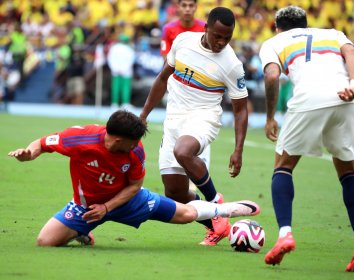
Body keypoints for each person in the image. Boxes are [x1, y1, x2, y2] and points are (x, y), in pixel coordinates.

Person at [7, 110, 260, 247]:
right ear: (117, 140)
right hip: (85, 207)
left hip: (128, 201)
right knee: (45, 241)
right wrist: (29, 154)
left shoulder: (135, 151)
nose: (137, 146)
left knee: (186, 215)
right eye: (133, 142)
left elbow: (135, 185)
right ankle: (82, 233)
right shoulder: (79, 139)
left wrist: (107, 207)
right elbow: (41, 143)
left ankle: (226, 209)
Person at [259, 5, 354, 272]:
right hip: (345, 96)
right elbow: (352, 52)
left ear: (277, 27)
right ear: (307, 24)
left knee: (283, 167)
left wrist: (271, 116)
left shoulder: (274, 42)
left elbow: (272, 75)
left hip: (308, 99)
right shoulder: (333, 33)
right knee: (347, 171)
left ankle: (285, 233)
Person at [140, 7, 251, 246]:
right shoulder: (183, 41)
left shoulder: (232, 64)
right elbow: (162, 78)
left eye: (227, 38)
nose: (221, 42)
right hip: (174, 119)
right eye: (217, 36)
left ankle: (215, 201)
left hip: (204, 116)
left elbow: (241, 109)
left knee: (183, 151)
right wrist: (144, 114)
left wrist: (238, 149)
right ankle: (215, 225)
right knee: (175, 193)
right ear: (206, 28)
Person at [160, 0, 211, 189]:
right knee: (177, 125)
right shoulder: (169, 29)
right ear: (178, 8)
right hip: (177, 86)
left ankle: (198, 174)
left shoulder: (204, 28)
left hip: (201, 86)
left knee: (200, 126)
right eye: (184, 5)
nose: (188, 9)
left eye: (191, 5)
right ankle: (178, 171)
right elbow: (166, 58)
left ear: (196, 7)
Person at [107, 34, 135, 108]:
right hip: (126, 71)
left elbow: (110, 59)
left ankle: (114, 103)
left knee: (115, 87)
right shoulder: (129, 49)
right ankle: (125, 103)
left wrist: (114, 68)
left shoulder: (113, 48)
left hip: (116, 70)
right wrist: (124, 69)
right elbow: (131, 61)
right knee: (125, 88)